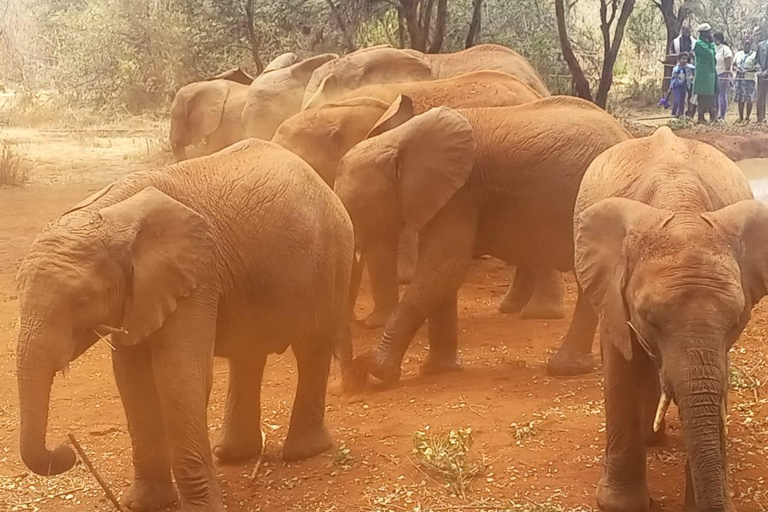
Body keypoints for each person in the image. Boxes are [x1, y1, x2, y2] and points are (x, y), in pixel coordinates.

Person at [693, 23, 718, 123]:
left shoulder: (707, 43)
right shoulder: (699, 44)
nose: (710, 34)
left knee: (711, 96)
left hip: (710, 74)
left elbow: (713, 53)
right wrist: (712, 44)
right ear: (703, 33)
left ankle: (713, 116)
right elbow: (710, 54)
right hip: (703, 75)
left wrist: (711, 44)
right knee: (702, 96)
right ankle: (701, 117)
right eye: (708, 32)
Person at [733, 38, 760, 123]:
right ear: (743, 44)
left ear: (751, 45)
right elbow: (733, 65)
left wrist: (748, 70)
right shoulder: (738, 54)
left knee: (749, 98)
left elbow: (757, 67)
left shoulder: (754, 55)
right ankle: (740, 118)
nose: (747, 46)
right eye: (745, 44)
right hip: (739, 79)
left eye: (749, 44)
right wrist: (737, 69)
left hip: (749, 79)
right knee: (740, 98)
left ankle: (747, 117)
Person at [714, 32, 734, 120]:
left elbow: (728, 61)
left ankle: (722, 115)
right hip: (714, 74)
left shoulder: (725, 49)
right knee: (715, 95)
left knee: (722, 95)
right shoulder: (713, 47)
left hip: (723, 74)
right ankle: (715, 114)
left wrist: (726, 74)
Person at [670, 53, 691, 117]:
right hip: (676, 86)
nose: (684, 61)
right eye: (683, 59)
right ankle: (674, 113)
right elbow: (673, 78)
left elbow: (689, 77)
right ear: (679, 60)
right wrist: (670, 87)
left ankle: (681, 113)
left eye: (686, 59)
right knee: (676, 100)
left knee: (682, 101)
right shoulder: (676, 69)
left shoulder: (688, 68)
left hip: (683, 87)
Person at [757, 27, 768, 123]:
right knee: (761, 96)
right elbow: (756, 60)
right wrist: (760, 70)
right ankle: (760, 118)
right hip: (762, 75)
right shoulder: (760, 45)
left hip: (766, 73)